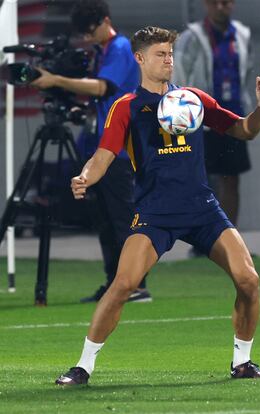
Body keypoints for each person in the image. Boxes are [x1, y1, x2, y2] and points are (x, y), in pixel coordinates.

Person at [55, 26, 260, 386]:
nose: (168, 60)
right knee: (124, 283)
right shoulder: (126, 107)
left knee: (249, 279)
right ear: (140, 59)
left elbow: (243, 130)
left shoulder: (192, 99)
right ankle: (82, 367)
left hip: (202, 207)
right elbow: (103, 155)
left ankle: (243, 362)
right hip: (155, 212)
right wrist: (85, 177)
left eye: (170, 53)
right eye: (160, 54)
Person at [31, 0, 151, 302]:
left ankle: (136, 285)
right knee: (104, 219)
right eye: (83, 33)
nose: (87, 37)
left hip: (120, 149)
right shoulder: (100, 51)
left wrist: (55, 79)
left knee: (123, 217)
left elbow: (102, 88)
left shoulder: (121, 47)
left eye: (90, 31)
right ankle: (116, 283)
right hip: (100, 146)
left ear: (104, 21)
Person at [173, 0, 253, 228]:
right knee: (202, 183)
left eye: (225, 2)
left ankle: (231, 240)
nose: (220, 7)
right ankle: (204, 241)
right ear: (206, 5)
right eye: (214, 3)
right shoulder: (191, 37)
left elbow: (246, 72)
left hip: (233, 118)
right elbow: (179, 76)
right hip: (202, 120)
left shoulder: (243, 35)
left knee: (231, 181)